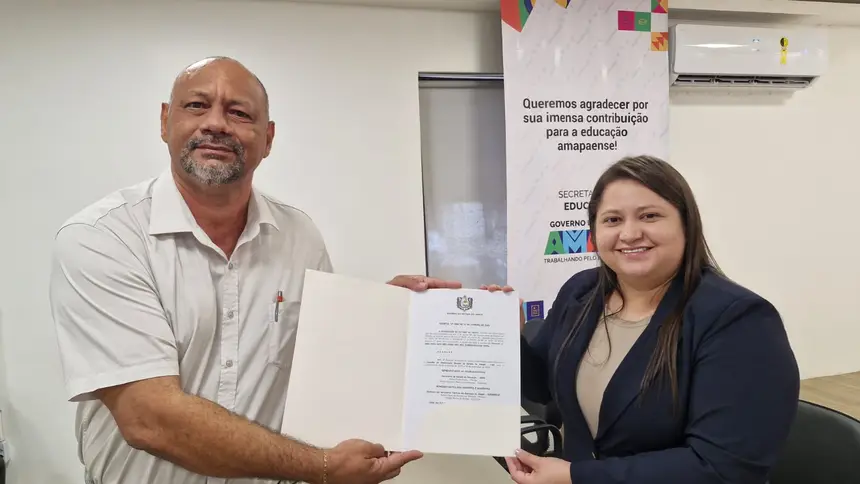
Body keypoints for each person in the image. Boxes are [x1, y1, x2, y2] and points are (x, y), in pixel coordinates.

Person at [48, 56, 460, 484]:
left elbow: (325, 357)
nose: (216, 124)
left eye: (239, 113)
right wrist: (322, 467)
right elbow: (150, 418)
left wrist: (386, 311)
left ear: (268, 138)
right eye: (197, 106)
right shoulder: (104, 237)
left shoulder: (299, 237)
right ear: (165, 121)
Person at [490, 156, 800, 484]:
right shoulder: (582, 291)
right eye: (612, 220)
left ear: (686, 224)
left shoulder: (740, 321)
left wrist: (576, 475)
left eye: (649, 216)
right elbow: (542, 387)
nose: (629, 233)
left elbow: (722, 468)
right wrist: (504, 337)